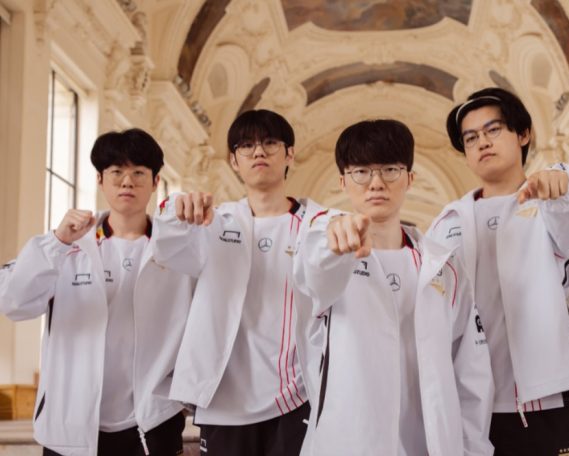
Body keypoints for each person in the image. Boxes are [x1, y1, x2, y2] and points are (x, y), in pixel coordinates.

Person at [293, 119, 494, 455]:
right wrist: (332, 237)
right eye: (361, 172)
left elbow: (470, 370)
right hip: (351, 442)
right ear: (343, 181)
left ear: (409, 178)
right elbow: (314, 268)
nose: (376, 183)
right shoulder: (329, 255)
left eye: (390, 170)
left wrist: (473, 449)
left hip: (430, 445)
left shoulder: (444, 267)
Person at [428, 87, 569, 455]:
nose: (482, 142)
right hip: (475, 403)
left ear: (523, 134)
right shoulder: (447, 222)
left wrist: (563, 181)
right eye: (471, 138)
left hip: (545, 398)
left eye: (493, 130)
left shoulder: (550, 203)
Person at [0, 129, 194, 456]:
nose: (127, 182)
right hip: (71, 425)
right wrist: (56, 243)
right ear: (100, 180)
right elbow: (13, 303)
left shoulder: (177, 250)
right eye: (116, 172)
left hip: (152, 422)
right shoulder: (67, 247)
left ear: (155, 182)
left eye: (138, 173)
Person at [152, 109, 317, 455]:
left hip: (293, 396)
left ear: (289, 154)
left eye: (270, 143)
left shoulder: (316, 225)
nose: (258, 152)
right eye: (246, 146)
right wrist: (175, 211)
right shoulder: (213, 222)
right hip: (224, 400)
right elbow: (167, 251)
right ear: (233, 160)